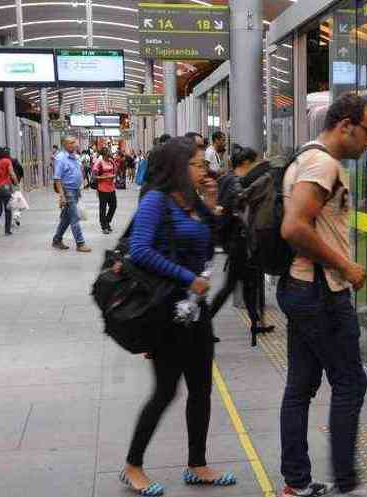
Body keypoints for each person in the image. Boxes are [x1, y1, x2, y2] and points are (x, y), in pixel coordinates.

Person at [120, 137, 238, 497]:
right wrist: (189, 279)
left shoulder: (192, 203)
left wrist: (213, 207)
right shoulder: (157, 200)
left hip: (195, 312)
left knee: (201, 389)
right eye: (199, 164)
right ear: (179, 167)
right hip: (166, 312)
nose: (206, 169)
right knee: (166, 391)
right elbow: (139, 250)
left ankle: (197, 465)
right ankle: (132, 466)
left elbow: (210, 243)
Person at [278, 93, 367, 497]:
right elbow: (294, 228)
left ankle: (296, 483)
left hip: (302, 287)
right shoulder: (322, 163)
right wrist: (345, 266)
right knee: (351, 382)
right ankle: (346, 484)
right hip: (320, 291)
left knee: (300, 385)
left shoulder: (307, 156)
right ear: (345, 126)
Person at [209, 145, 274, 342]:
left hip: (236, 242)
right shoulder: (236, 182)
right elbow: (231, 208)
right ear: (245, 163)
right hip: (237, 242)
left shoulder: (228, 178)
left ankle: (256, 324)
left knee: (247, 285)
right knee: (231, 287)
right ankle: (205, 324)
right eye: (253, 163)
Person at [52, 137, 91, 252]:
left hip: (75, 190)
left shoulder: (76, 157)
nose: (74, 144)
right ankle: (80, 243)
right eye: (71, 143)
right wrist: (61, 195)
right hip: (67, 191)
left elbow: (78, 172)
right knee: (74, 217)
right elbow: (57, 178)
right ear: (64, 145)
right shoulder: (60, 158)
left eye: (75, 142)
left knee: (66, 218)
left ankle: (57, 240)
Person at [92, 147, 117, 235]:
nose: (108, 156)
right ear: (103, 155)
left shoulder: (111, 162)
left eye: (109, 154)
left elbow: (115, 172)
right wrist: (106, 177)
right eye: (107, 155)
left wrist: (113, 176)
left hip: (111, 188)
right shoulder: (98, 163)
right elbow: (94, 177)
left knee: (113, 206)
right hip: (102, 189)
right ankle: (104, 226)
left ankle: (107, 221)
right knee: (103, 208)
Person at [4, 147, 25, 227]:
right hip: (15, 183)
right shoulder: (14, 160)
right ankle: (16, 216)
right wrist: (20, 178)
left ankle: (12, 219)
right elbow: (21, 169)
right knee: (18, 201)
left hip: (6, 185)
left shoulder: (2, 162)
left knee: (10, 203)